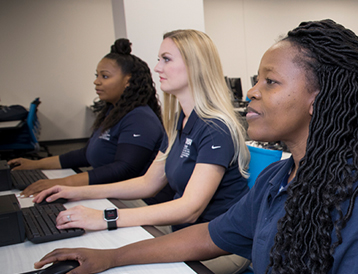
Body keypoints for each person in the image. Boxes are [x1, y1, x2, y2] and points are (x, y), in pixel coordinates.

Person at [35, 20, 358, 274]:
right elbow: (210, 235)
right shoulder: (281, 177)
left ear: (319, 98)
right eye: (257, 79)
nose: (252, 92)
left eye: (270, 82)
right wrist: (114, 258)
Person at [34, 29, 249, 235]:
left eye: (166, 59)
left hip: (219, 243)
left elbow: (189, 210)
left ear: (195, 66)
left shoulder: (215, 128)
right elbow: (149, 183)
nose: (157, 68)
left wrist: (105, 218)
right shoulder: (179, 121)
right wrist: (75, 192)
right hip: (186, 233)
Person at [9, 39, 165, 197]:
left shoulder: (140, 118)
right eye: (97, 76)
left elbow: (124, 169)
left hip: (134, 201)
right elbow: (86, 154)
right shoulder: (113, 111)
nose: (96, 82)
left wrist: (63, 183)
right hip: (110, 193)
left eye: (104, 76)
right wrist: (35, 165)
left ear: (128, 81)